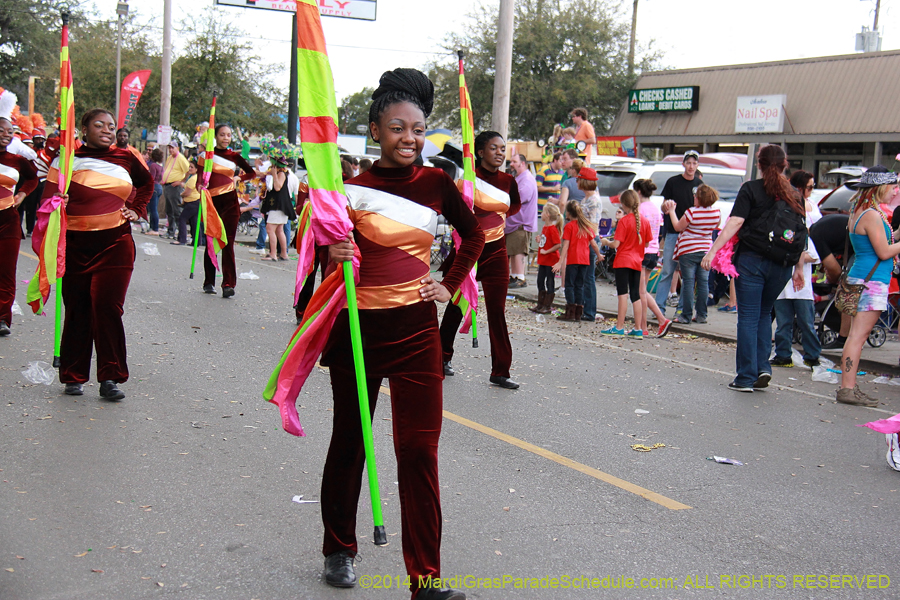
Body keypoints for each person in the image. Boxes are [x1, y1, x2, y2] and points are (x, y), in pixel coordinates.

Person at [319, 68, 483, 600]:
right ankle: (339, 549)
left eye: (418, 128)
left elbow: (474, 235)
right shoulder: (347, 189)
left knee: (418, 452)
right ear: (374, 131)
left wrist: (450, 285)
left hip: (417, 332)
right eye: (396, 128)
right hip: (358, 332)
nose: (409, 138)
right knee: (350, 443)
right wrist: (333, 253)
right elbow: (318, 259)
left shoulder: (438, 183)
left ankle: (426, 580)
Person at [45, 108, 153, 399]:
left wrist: (137, 209)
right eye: (99, 124)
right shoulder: (65, 161)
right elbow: (46, 203)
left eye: (111, 125)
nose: (107, 129)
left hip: (116, 242)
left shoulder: (127, 157)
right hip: (76, 245)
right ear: (83, 128)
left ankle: (110, 378)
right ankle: (73, 375)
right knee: (77, 309)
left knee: (108, 309)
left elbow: (147, 184)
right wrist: (59, 200)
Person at [702, 145, 807, 393]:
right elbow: (800, 232)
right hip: (782, 264)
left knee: (748, 316)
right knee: (764, 313)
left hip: (752, 261)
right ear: (785, 164)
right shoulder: (794, 194)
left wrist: (713, 250)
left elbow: (736, 222)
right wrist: (799, 267)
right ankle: (763, 368)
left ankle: (745, 376)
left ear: (759, 164)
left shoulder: (751, 189)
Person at [439, 130, 521, 389]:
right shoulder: (468, 180)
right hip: (469, 252)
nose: (499, 153)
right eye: (494, 148)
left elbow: (514, 206)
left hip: (497, 253)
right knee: (456, 306)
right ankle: (441, 357)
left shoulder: (509, 181)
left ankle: (501, 370)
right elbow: (455, 211)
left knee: (497, 311)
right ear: (481, 152)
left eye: (502, 148)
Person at [837, 167, 900, 406]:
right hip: (871, 282)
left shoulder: (859, 210)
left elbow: (880, 242)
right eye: (892, 186)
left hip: (861, 278)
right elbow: (884, 251)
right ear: (880, 187)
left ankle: (848, 387)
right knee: (857, 337)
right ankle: (847, 389)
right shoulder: (872, 214)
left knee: (855, 336)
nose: (895, 191)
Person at [197, 124, 255, 297]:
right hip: (211, 203)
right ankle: (209, 281)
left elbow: (251, 173)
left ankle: (228, 284)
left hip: (230, 203)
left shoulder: (234, 156)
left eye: (229, 135)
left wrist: (239, 177)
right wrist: (200, 186)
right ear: (216, 136)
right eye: (222, 135)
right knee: (211, 242)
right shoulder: (205, 156)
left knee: (228, 243)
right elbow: (199, 179)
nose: (226, 138)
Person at [0, 113, 38, 336]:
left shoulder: (17, 160)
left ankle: (3, 318)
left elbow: (33, 178)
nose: (6, 135)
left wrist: (23, 193)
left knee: (5, 272)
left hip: (8, 222)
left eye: (9, 131)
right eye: (1, 131)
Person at [664, 184, 720, 325]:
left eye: (696, 195)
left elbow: (678, 227)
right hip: (705, 250)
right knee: (703, 283)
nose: (694, 197)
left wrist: (672, 211)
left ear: (700, 198)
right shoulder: (716, 213)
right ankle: (702, 315)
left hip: (688, 250)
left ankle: (686, 315)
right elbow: (713, 227)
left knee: (688, 283)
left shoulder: (691, 212)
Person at [655, 150, 701, 316]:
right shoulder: (673, 182)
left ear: (697, 165)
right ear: (683, 164)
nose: (691, 166)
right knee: (668, 269)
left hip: (691, 234)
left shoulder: (699, 185)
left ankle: (682, 309)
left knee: (688, 274)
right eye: (688, 162)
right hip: (673, 232)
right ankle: (659, 307)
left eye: (694, 163)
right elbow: (663, 206)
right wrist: (666, 206)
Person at [600, 190, 651, 338]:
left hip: (623, 260)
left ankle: (619, 326)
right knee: (636, 294)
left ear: (623, 204)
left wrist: (605, 242)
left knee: (622, 293)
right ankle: (638, 328)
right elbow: (647, 243)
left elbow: (616, 244)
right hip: (637, 260)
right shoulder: (644, 221)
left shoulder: (624, 221)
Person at [633, 179, 671, 337]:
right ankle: (645, 326)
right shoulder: (655, 209)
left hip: (642, 250)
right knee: (642, 289)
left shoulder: (639, 209)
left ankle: (658, 321)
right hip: (653, 251)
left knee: (640, 291)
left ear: (639, 192)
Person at [553, 200, 600, 322]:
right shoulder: (586, 226)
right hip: (585, 260)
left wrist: (560, 261)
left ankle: (570, 311)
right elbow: (593, 244)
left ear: (568, 213)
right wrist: (599, 255)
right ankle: (579, 312)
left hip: (573, 260)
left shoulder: (569, 227)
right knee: (580, 285)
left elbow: (566, 246)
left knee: (570, 285)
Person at [258, 138, 298, 261]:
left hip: (278, 206)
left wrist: (275, 174)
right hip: (280, 205)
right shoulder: (281, 173)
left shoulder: (281, 174)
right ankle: (284, 254)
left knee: (270, 228)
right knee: (279, 229)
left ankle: (273, 253)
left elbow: (277, 186)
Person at [506, 153, 537, 288]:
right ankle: (514, 276)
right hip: (514, 222)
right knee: (513, 249)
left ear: (522, 163)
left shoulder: (527, 179)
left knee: (518, 250)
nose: (511, 164)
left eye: (514, 161)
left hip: (521, 223)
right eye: (511, 161)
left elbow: (520, 197)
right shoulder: (520, 178)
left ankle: (520, 277)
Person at [575, 167, 601, 321]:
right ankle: (585, 307)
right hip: (585, 240)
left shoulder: (593, 201)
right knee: (584, 277)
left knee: (588, 277)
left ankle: (590, 311)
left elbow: (593, 225)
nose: (576, 181)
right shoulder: (586, 200)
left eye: (579, 179)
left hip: (590, 241)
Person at [530, 202, 563, 314]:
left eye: (543, 212)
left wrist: (546, 251)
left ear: (548, 214)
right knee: (540, 280)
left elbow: (558, 244)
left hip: (550, 259)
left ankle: (547, 305)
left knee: (549, 281)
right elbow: (546, 241)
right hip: (543, 259)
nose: (542, 214)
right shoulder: (545, 227)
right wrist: (540, 240)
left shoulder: (553, 229)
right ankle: (541, 303)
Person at [162, 140, 189, 238]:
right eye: (169, 148)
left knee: (177, 210)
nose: (170, 149)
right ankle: (171, 231)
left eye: (172, 148)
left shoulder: (181, 158)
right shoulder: (169, 158)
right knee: (169, 210)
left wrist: (182, 182)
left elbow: (188, 170)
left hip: (175, 187)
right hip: (168, 186)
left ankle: (181, 233)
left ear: (177, 148)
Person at [171, 159, 200, 245]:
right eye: (189, 167)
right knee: (194, 221)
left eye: (192, 167)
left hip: (192, 201)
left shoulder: (193, 179)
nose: (190, 169)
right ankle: (197, 241)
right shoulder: (196, 177)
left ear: (196, 169)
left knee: (182, 219)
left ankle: (182, 239)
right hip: (196, 201)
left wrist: (181, 195)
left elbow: (187, 192)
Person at [145, 147, 164, 235]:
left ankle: (154, 228)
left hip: (154, 187)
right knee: (154, 207)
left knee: (153, 209)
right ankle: (152, 227)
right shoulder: (161, 166)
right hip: (159, 187)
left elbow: (151, 178)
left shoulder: (153, 166)